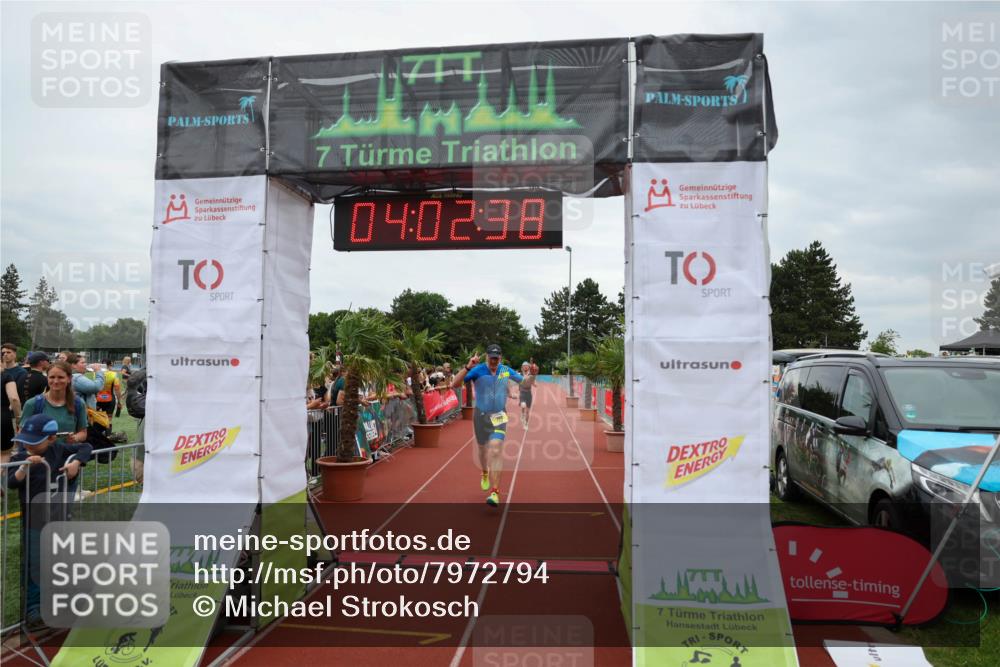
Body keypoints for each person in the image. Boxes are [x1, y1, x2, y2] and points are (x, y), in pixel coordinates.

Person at [7, 412, 93, 630]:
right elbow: (11, 483)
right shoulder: (20, 458)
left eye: (33, 441)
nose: (28, 445)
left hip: (59, 520)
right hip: (35, 523)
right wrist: (24, 466)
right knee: (35, 563)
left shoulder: (58, 449)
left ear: (52, 438)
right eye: (25, 440)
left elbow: (87, 447)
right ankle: (34, 608)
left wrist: (76, 462)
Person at [451, 344, 523, 507]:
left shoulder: (505, 370)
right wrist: (467, 367)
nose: (494, 361)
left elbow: (523, 381)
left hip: (499, 415)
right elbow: (454, 385)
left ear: (500, 358)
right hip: (481, 416)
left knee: (496, 448)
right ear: (486, 357)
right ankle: (485, 472)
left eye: (496, 359)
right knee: (483, 451)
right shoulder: (477, 370)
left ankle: (495, 492)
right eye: (491, 358)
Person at [2, 343, 24, 462]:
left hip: (12, 412)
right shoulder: (2, 372)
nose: (5, 355)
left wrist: (18, 416)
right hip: (5, 413)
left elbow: (17, 396)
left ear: (15, 354)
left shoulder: (21, 372)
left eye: (8, 352)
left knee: (9, 450)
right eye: (3, 352)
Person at [95, 358, 123, 423]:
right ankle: (107, 432)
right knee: (108, 420)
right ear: (110, 365)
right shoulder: (114, 374)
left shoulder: (96, 373)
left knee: (95, 419)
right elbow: (117, 389)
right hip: (110, 400)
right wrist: (119, 401)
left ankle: (97, 432)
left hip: (97, 399)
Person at [517, 361, 537, 429]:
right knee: (523, 405)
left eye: (526, 366)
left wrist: (535, 384)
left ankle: (525, 424)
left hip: (529, 393)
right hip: (522, 392)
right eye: (524, 366)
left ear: (528, 367)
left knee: (528, 411)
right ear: (522, 367)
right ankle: (522, 414)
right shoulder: (519, 374)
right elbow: (511, 376)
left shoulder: (531, 375)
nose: (525, 367)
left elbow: (533, 382)